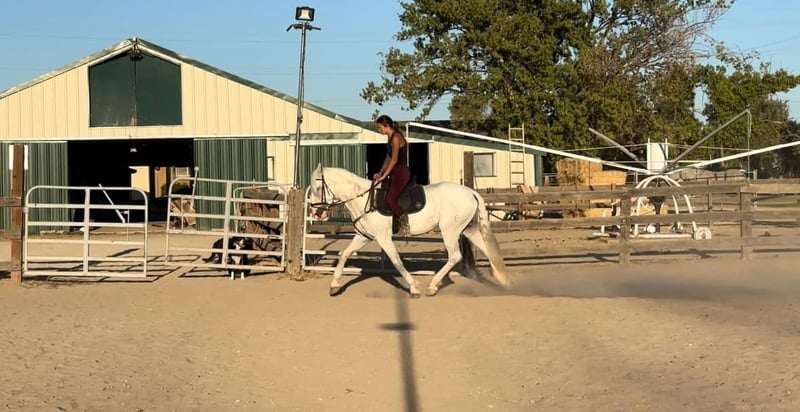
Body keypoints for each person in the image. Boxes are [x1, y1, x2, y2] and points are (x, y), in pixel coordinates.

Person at [373, 114, 411, 236]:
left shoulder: (396, 138)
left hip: (401, 172)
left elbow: (394, 160)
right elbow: (388, 158)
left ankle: (404, 221)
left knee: (390, 198)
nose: (379, 130)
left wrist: (384, 176)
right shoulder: (390, 137)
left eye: (380, 127)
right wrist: (380, 172)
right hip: (394, 172)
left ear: (386, 126)